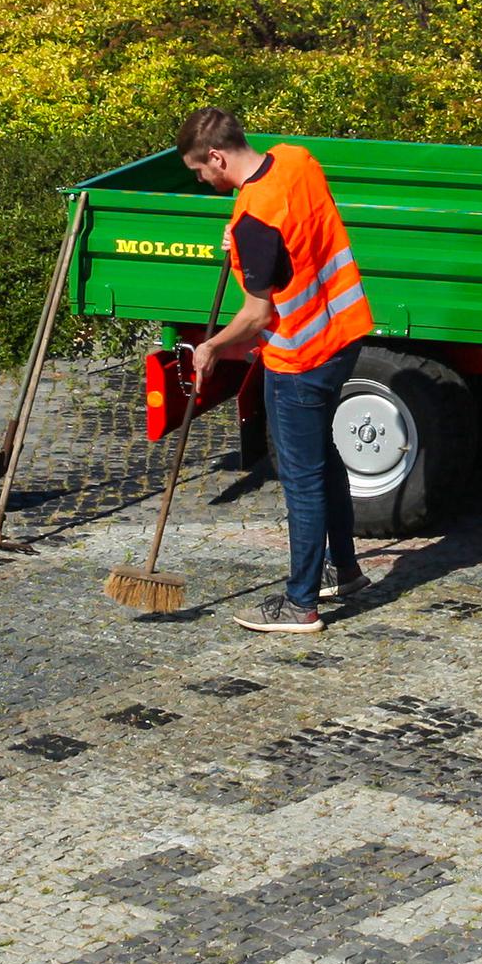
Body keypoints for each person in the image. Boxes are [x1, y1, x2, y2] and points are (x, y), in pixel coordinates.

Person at [178, 105, 373, 633]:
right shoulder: (296, 161)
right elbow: (294, 232)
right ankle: (347, 570)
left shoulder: (253, 219)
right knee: (324, 460)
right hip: (345, 332)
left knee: (302, 479)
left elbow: (257, 314)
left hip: (299, 359)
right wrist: (243, 244)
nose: (201, 178)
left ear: (216, 156)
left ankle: (300, 603)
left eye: (200, 169)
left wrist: (212, 347)